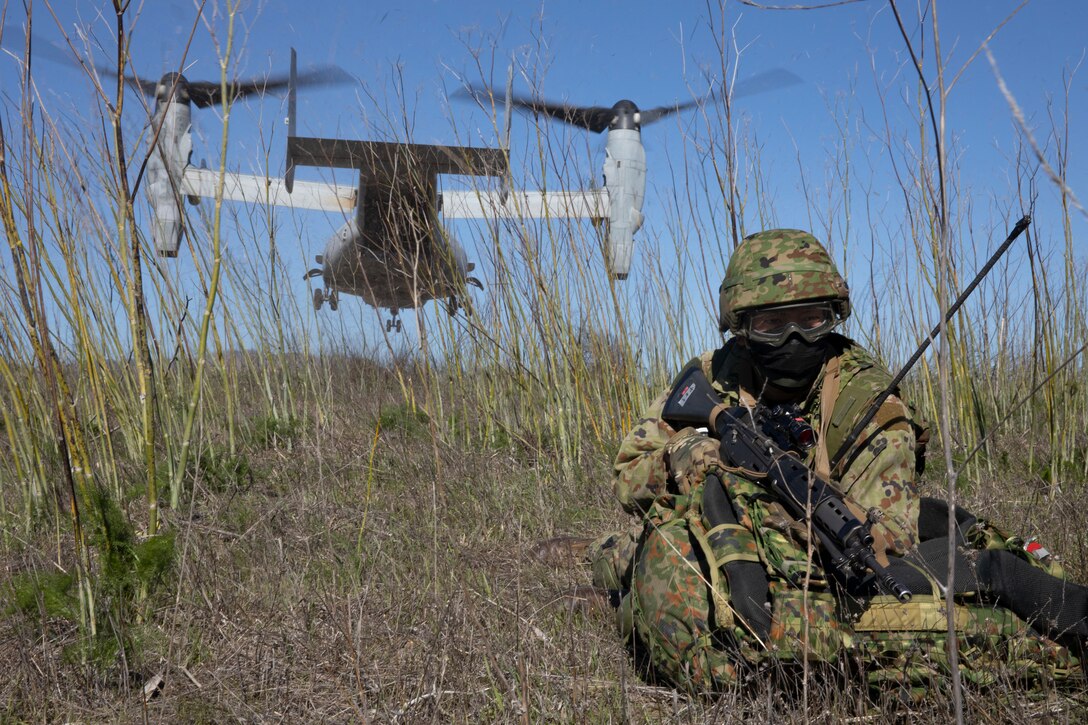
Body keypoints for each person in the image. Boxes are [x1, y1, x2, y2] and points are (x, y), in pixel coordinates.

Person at [586, 228, 1085, 695]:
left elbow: (891, 542)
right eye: (771, 325)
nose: (795, 339)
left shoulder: (865, 400)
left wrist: (781, 516)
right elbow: (629, 473)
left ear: (834, 316)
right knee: (639, 558)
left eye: (812, 321)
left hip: (818, 558)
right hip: (725, 530)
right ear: (739, 327)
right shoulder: (712, 377)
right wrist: (686, 453)